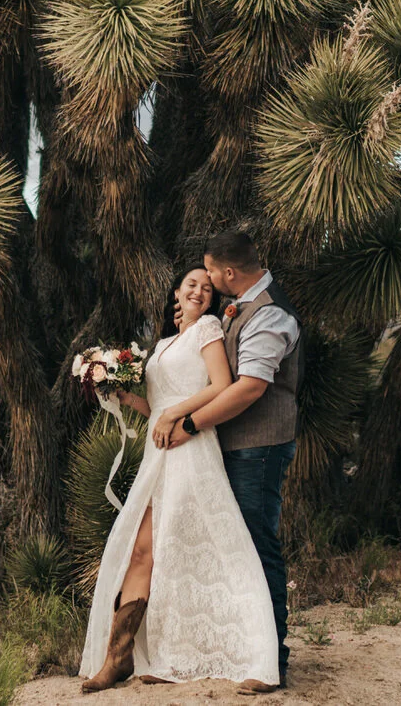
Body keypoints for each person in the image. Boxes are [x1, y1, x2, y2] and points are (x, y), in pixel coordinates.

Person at [78, 266, 280, 694]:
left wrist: (175, 414)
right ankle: (119, 657)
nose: (200, 291)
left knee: (196, 548)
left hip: (191, 449)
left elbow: (221, 385)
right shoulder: (164, 344)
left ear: (210, 301)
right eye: (192, 284)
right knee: (143, 551)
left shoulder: (207, 328)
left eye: (207, 288)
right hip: (160, 452)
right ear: (176, 291)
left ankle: (255, 651)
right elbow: (156, 410)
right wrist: (122, 394)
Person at [160, 230, 302, 693]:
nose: (211, 284)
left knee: (257, 546)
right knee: (237, 548)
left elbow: (249, 388)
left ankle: (271, 662)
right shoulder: (241, 304)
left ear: (227, 273)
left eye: (212, 275)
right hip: (235, 447)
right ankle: (246, 649)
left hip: (258, 447)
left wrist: (190, 424)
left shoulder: (271, 314)